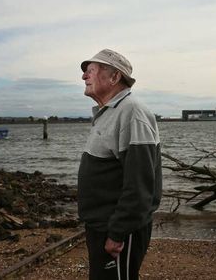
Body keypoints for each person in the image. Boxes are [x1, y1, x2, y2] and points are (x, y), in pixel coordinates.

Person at [78, 48, 162, 280]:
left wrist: (117, 232)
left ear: (114, 77)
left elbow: (140, 185)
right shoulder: (109, 112)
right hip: (102, 226)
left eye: (90, 71)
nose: (84, 76)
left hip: (118, 231)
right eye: (85, 72)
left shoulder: (131, 112)